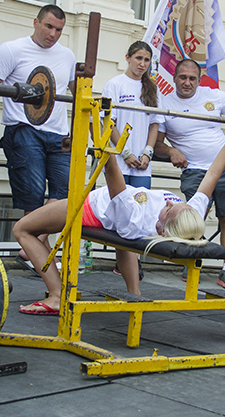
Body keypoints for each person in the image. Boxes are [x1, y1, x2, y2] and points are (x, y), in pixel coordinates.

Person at [12, 115, 225, 315]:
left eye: (168, 208)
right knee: (123, 233)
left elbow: (111, 169)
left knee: (22, 229)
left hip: (93, 208)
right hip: (116, 210)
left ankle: (56, 295)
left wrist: (99, 127)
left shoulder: (135, 218)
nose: (169, 200)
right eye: (176, 202)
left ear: (161, 230)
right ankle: (134, 295)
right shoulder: (191, 216)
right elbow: (213, 174)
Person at [0, 4, 76, 270]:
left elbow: (76, 89)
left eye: (59, 29)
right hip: (24, 129)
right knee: (33, 194)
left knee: (65, 192)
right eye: (49, 26)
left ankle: (32, 246)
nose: (53, 34)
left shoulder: (67, 55)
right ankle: (42, 257)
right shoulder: (12, 49)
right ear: (35, 22)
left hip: (58, 133)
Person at [150, 60, 225, 290]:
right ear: (174, 77)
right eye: (182, 77)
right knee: (193, 217)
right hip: (193, 170)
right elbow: (157, 144)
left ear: (199, 79)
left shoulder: (214, 95)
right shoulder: (164, 102)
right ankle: (191, 259)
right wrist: (171, 150)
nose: (187, 82)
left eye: (192, 78)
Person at [102, 40, 158, 278]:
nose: (142, 64)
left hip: (142, 165)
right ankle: (122, 260)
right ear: (127, 57)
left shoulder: (152, 88)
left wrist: (147, 152)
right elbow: (109, 122)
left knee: (140, 210)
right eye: (138, 58)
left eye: (146, 60)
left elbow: (155, 124)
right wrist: (125, 152)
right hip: (120, 159)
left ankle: (134, 260)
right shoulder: (114, 84)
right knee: (121, 211)